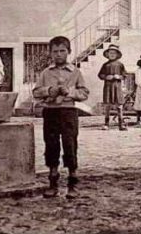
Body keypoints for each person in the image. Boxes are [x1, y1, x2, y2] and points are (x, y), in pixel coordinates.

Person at [32, 36, 90, 199]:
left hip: (68, 112)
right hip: (50, 112)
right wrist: (49, 91)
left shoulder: (75, 72)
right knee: (51, 145)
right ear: (50, 53)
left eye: (62, 51)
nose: (58, 54)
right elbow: (36, 92)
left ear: (69, 52)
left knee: (70, 144)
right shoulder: (46, 73)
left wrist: (70, 92)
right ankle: (53, 182)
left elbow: (84, 93)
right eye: (55, 51)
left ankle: (72, 182)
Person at [97, 44, 127, 131]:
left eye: (114, 53)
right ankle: (106, 123)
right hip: (108, 87)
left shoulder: (120, 65)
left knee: (119, 105)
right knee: (107, 105)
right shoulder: (105, 65)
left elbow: (124, 75)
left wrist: (119, 76)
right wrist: (106, 77)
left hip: (117, 87)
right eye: (110, 53)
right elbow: (100, 75)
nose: (112, 54)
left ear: (117, 54)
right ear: (107, 54)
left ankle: (121, 124)